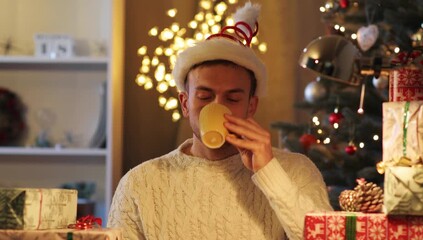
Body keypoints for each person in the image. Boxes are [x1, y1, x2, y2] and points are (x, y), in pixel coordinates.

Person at [108, 2, 332, 240]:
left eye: (233, 98)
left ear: (251, 106)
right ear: (185, 104)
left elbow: (326, 237)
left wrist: (269, 171)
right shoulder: (140, 182)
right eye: (205, 96)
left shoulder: (296, 171)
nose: (218, 106)